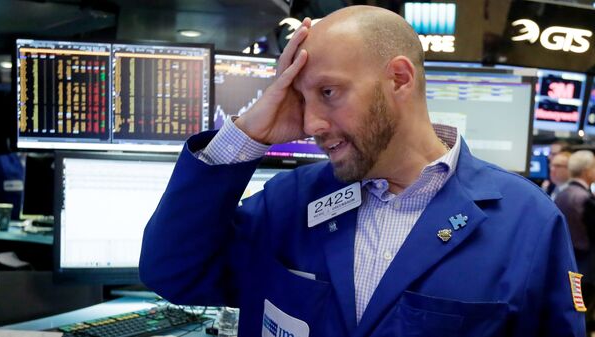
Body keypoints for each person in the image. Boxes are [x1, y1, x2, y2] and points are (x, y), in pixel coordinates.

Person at [140, 6, 585, 336]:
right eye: (301, 98)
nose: (311, 123)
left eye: (329, 92)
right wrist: (249, 133)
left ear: (399, 79)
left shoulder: (528, 221)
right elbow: (173, 273)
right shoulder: (291, 201)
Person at [555, 150, 595, 278]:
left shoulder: (559, 195)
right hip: (586, 268)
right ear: (587, 171)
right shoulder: (585, 199)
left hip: (564, 264)